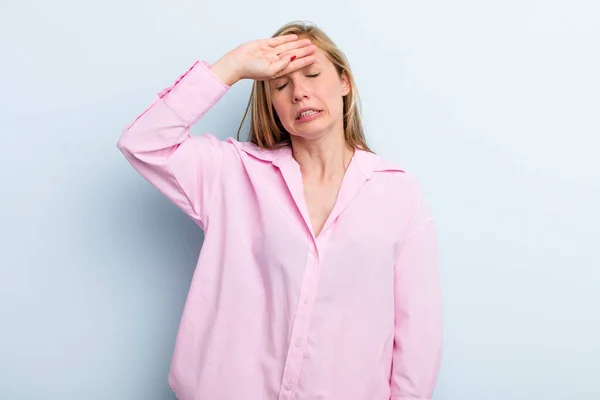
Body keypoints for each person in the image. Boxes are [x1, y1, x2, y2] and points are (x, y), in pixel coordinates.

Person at [117, 20, 442, 400]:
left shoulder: (396, 190)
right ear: (271, 104)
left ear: (344, 83)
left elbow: (417, 331)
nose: (300, 93)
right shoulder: (232, 173)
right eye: (281, 85)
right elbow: (142, 143)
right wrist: (233, 67)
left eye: (312, 74)